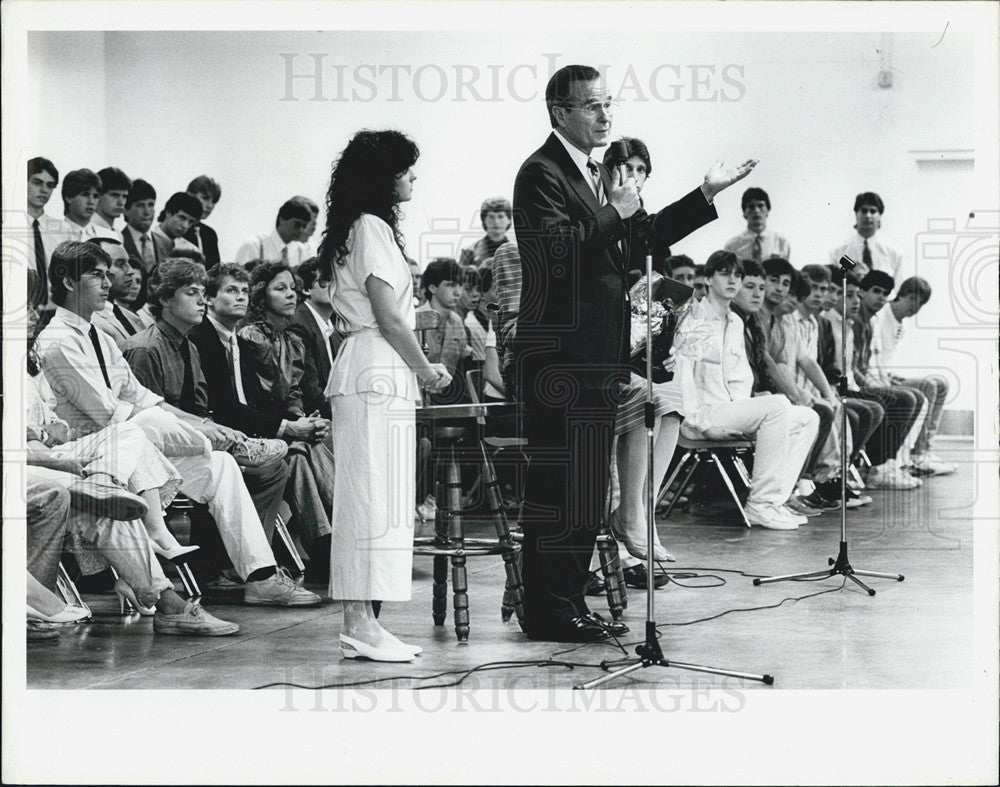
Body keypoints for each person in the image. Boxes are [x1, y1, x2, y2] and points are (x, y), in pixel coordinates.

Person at [511, 64, 755, 643]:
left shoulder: (601, 175)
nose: (605, 115)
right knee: (560, 488)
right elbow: (556, 256)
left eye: (608, 104)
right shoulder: (539, 173)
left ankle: (564, 605)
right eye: (592, 106)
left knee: (587, 488)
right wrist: (613, 212)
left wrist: (703, 195)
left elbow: (641, 240)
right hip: (558, 356)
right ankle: (548, 611)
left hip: (596, 356)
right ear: (559, 112)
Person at [38, 242, 314, 607]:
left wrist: (200, 423)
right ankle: (227, 445)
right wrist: (200, 431)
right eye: (96, 275)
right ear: (67, 281)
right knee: (145, 423)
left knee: (220, 465)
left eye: (108, 274)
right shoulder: (56, 340)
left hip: (136, 447)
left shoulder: (101, 338)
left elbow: (143, 397)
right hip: (93, 452)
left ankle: (259, 576)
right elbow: (107, 413)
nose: (108, 283)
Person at [318, 129, 451, 662]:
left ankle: (366, 622)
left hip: (376, 369)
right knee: (370, 500)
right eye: (405, 169)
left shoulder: (361, 228)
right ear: (383, 176)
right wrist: (425, 369)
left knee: (384, 500)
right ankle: (357, 622)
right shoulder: (369, 226)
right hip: (375, 368)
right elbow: (389, 315)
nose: (413, 178)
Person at [674, 251, 819, 530]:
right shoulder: (694, 317)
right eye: (724, 274)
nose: (733, 281)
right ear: (708, 278)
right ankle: (760, 505)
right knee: (777, 405)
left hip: (730, 410)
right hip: (704, 415)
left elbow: (740, 380)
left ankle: (775, 501)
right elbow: (684, 378)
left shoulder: (736, 321)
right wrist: (700, 425)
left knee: (806, 418)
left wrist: (752, 410)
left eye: (738, 276)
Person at [237, 261, 336, 564]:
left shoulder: (292, 339)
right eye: (280, 289)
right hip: (257, 427)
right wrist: (297, 426)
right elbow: (257, 400)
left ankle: (333, 536)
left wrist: (303, 420)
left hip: (284, 425)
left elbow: (292, 393)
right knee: (300, 454)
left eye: (292, 288)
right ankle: (328, 542)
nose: (291, 295)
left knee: (314, 443)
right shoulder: (250, 337)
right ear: (261, 296)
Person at [872, 276, 954, 475]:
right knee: (927, 386)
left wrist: (891, 374)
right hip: (875, 378)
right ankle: (917, 454)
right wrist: (884, 376)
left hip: (886, 375)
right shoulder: (881, 316)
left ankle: (925, 447)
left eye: (919, 305)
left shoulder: (901, 323)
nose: (914, 307)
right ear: (900, 295)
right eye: (911, 300)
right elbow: (872, 357)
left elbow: (885, 357)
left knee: (941, 383)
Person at [851, 270, 925, 489]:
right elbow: (853, 368)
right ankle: (877, 467)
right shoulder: (854, 321)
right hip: (851, 386)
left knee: (915, 397)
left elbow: (866, 363)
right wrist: (870, 384)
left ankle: (889, 463)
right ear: (862, 292)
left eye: (885, 293)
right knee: (902, 399)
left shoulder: (869, 321)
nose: (881, 298)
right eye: (876, 291)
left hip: (861, 382)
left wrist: (881, 380)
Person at [288, 257, 340, 419]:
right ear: (306, 289)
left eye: (337, 281)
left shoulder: (335, 327)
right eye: (325, 281)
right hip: (311, 418)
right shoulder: (299, 324)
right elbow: (310, 391)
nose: (334, 287)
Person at [829, 191, 902, 279]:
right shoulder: (839, 251)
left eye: (873, 211)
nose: (868, 215)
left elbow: (899, 287)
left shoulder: (894, 251)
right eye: (864, 211)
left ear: (880, 216)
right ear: (856, 214)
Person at [89, 237, 146, 347]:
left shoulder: (129, 315)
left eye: (128, 263)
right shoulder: (91, 322)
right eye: (120, 264)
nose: (130, 271)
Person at [24, 156, 63, 307]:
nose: (44, 190)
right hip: (23, 308)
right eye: (37, 182)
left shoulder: (61, 230)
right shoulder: (8, 224)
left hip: (53, 310)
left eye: (50, 185)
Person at [235, 197, 313, 267]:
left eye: (304, 226)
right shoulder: (253, 246)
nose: (301, 230)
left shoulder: (301, 251)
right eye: (297, 224)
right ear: (282, 219)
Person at [723, 187, 791, 263]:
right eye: (751, 207)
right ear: (744, 212)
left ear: (767, 210)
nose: (756, 211)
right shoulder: (732, 246)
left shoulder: (780, 241)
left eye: (760, 205)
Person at [122, 179, 160, 282]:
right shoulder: (119, 241)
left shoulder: (165, 243)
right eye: (140, 205)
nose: (147, 212)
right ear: (126, 210)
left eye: (151, 205)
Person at [459, 197, 512, 268]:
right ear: (484, 220)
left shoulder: (519, 251)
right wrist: (480, 269)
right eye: (491, 217)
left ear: (509, 220)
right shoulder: (469, 252)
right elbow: (460, 278)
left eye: (500, 216)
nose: (496, 222)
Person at [152, 192, 203, 261]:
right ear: (168, 213)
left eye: (191, 222)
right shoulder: (146, 240)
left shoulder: (191, 250)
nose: (185, 226)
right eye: (182, 218)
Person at [184, 175, 222, 267]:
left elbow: (215, 273)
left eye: (214, 201)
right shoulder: (175, 230)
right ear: (189, 195)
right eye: (205, 198)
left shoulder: (209, 234)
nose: (210, 205)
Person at [58, 169, 103, 241]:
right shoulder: (54, 235)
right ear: (69, 197)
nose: (91, 201)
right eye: (85, 195)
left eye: (95, 196)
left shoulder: (108, 236)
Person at [92, 167, 130, 240]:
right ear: (98, 196)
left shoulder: (118, 234)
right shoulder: (88, 232)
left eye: (124, 196)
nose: (121, 202)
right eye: (115, 195)